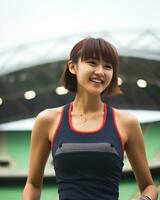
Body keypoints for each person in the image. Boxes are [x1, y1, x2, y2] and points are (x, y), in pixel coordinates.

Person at [23, 38, 158, 200]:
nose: (100, 71)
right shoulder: (47, 120)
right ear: (73, 67)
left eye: (108, 66)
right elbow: (32, 185)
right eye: (92, 63)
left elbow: (149, 187)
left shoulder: (127, 123)